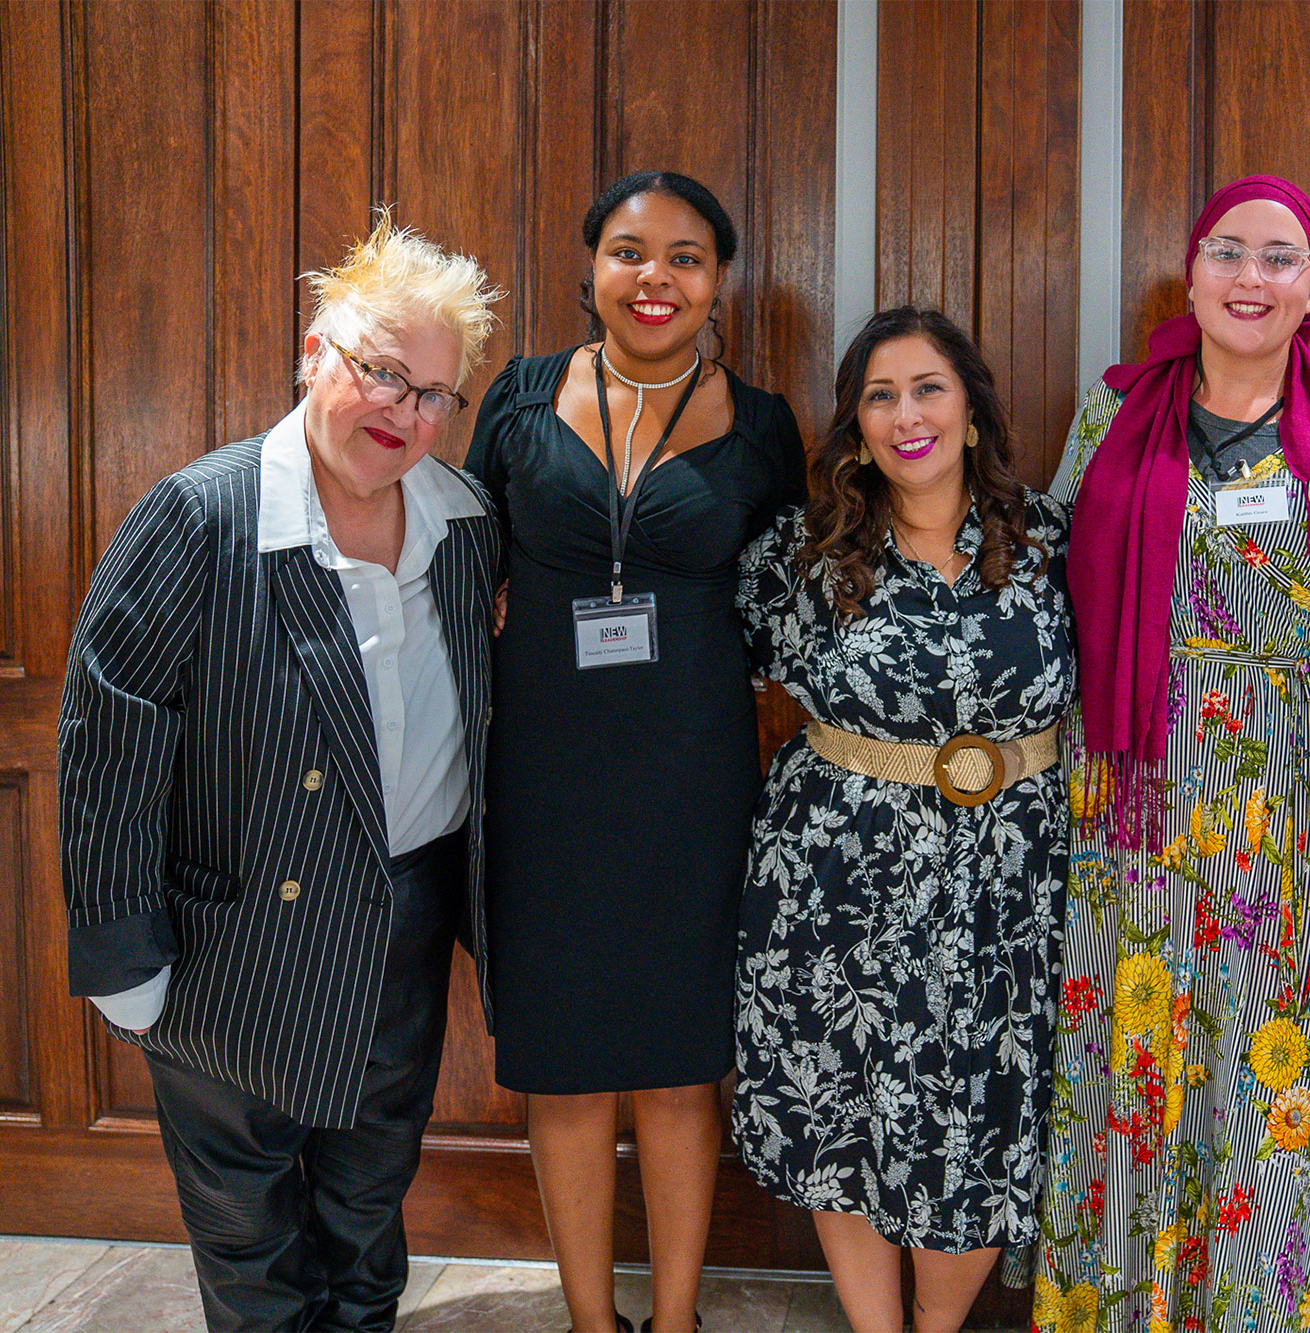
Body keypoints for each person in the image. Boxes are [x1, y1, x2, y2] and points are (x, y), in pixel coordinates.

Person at [59, 214, 503, 1331]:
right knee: (249, 1233)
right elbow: (109, 742)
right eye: (381, 373)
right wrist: (122, 953)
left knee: (369, 1196)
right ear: (314, 354)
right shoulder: (198, 514)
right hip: (237, 937)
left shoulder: (465, 523)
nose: (404, 412)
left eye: (434, 394)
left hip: (402, 918)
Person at [1029, 177, 1310, 1333]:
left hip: (1294, 819)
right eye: (1227, 251)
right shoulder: (1109, 415)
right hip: (1133, 806)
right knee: (1132, 1066)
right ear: (1188, 275)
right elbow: (1045, 589)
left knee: (1280, 1078)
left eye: (1278, 257)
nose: (1250, 276)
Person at [465, 171, 804, 1333]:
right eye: (628, 250)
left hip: (692, 779)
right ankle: (586, 1319)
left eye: (684, 257)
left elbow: (793, 590)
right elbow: (465, 555)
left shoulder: (761, 423)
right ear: (590, 266)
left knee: (676, 1062)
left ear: (719, 280)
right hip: (543, 775)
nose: (654, 277)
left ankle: (674, 1317)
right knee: (561, 1064)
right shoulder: (517, 398)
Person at [732, 307, 1073, 1333]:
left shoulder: (1048, 537)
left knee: (981, 1123)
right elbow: (695, 660)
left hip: (1008, 888)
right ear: (856, 424)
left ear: (970, 408)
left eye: (928, 388)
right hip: (835, 878)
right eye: (879, 397)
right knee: (842, 1115)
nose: (905, 415)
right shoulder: (803, 549)